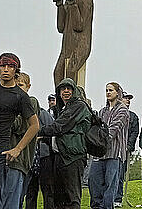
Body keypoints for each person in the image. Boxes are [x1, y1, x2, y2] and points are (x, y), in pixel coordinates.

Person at [0, 53, 39, 209]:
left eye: (10, 66)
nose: (5, 69)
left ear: (16, 70)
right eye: (2, 66)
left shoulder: (20, 96)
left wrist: (18, 149)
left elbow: (35, 125)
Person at [39, 78, 92, 209]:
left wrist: (37, 132)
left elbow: (60, 127)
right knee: (59, 198)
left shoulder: (79, 106)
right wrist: (44, 138)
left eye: (69, 88)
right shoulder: (62, 109)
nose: (66, 91)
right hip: (60, 156)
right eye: (63, 89)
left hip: (73, 157)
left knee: (72, 198)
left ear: (74, 91)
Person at [3, 72, 40, 209]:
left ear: (28, 87)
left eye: (20, 85)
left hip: (19, 160)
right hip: (6, 157)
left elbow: (17, 125)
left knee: (12, 201)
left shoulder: (31, 102)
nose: (17, 89)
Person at [89, 83, 129, 209]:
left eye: (111, 90)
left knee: (110, 185)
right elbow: (96, 129)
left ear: (117, 92)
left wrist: (98, 139)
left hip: (114, 153)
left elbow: (113, 129)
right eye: (106, 90)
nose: (108, 92)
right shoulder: (102, 111)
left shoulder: (123, 110)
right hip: (99, 154)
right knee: (94, 182)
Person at [24, 96, 55, 209]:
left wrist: (40, 138)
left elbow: (51, 133)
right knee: (35, 190)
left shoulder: (43, 115)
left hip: (42, 156)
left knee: (43, 190)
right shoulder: (43, 115)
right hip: (36, 156)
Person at [114, 92, 139, 207]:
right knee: (110, 174)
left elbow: (134, 132)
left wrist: (129, 146)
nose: (128, 100)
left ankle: (118, 199)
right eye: (125, 98)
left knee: (120, 175)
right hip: (113, 149)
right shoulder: (112, 112)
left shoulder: (133, 116)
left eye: (129, 99)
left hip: (124, 150)